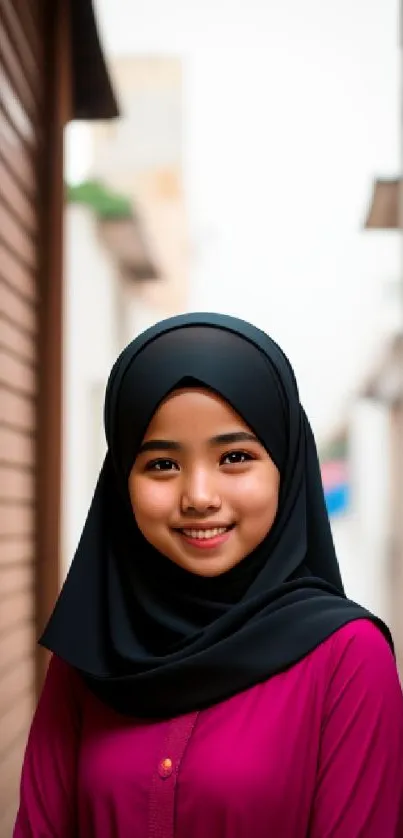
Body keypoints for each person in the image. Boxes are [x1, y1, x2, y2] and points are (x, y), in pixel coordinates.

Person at [13, 313, 403, 837]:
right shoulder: (93, 649)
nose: (199, 496)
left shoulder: (348, 659)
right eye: (162, 465)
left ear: (286, 469)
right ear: (121, 479)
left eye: (235, 457)